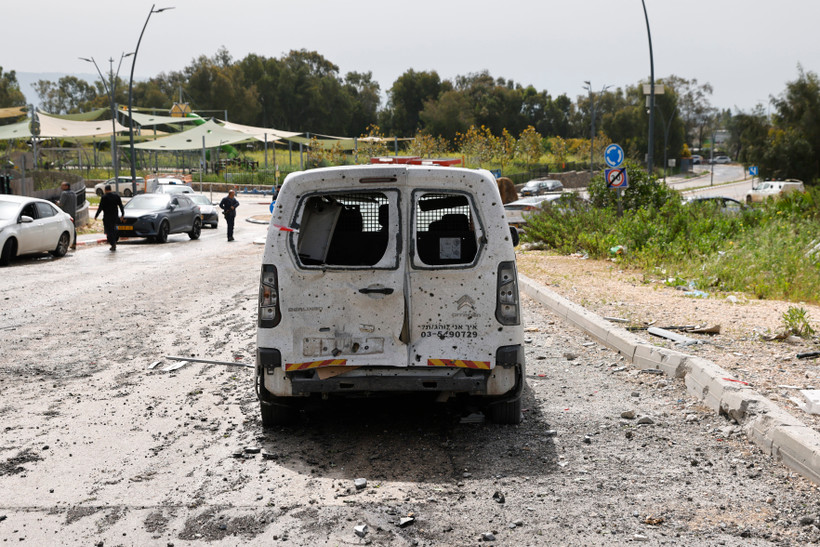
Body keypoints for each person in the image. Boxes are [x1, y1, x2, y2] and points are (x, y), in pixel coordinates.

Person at [94, 184, 125, 252]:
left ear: (105, 190)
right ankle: (113, 242)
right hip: (115, 217)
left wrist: (96, 215)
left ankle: (113, 243)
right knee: (113, 230)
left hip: (107, 217)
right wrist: (123, 214)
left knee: (108, 231)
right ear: (111, 189)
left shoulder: (104, 197)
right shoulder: (116, 196)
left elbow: (100, 207)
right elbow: (121, 205)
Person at [58, 181, 77, 249]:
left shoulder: (64, 193)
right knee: (73, 228)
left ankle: (64, 244)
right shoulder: (74, 193)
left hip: (65, 214)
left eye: (62, 185)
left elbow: (61, 204)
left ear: (67, 186)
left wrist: (56, 203)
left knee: (63, 229)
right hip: (73, 213)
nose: (61, 187)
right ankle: (74, 243)